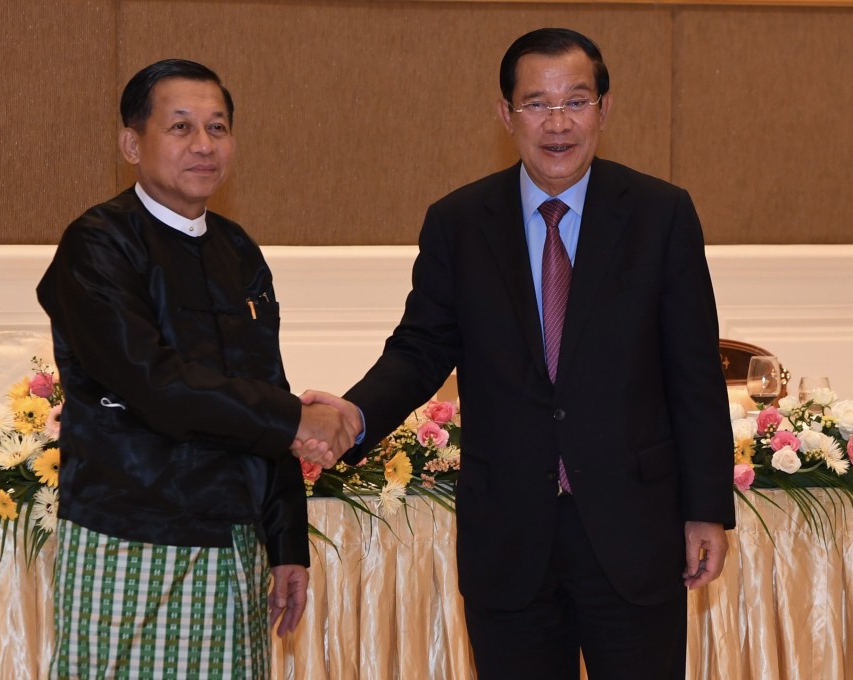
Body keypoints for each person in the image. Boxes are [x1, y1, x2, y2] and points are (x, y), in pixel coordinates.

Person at [297, 28, 736, 680]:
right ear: (506, 114)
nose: (558, 123)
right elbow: (420, 348)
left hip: (633, 532)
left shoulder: (660, 214)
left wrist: (706, 508)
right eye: (536, 104)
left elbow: (694, 369)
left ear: (604, 109)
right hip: (509, 538)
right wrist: (354, 414)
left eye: (576, 102)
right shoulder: (458, 222)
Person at [36, 58, 355, 678]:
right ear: (132, 144)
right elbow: (157, 385)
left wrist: (287, 542)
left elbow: (266, 388)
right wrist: (297, 419)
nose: (204, 144)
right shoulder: (98, 243)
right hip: (131, 535)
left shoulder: (237, 249)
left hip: (235, 539)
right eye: (180, 127)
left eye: (218, 127)